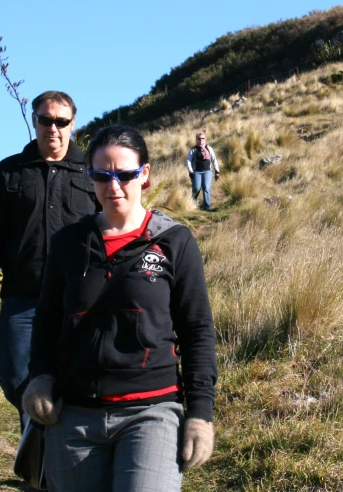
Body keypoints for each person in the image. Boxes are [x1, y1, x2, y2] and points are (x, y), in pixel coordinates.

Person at [23, 125, 217, 491]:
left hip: (152, 413)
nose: (113, 187)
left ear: (144, 175)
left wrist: (200, 415)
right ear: (90, 176)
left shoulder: (174, 242)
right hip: (74, 417)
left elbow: (197, 331)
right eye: (101, 175)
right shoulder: (67, 244)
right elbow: (46, 320)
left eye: (125, 175)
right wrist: (41, 378)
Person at [0, 90, 98, 430]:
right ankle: (39, 442)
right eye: (45, 120)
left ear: (72, 124)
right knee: (14, 376)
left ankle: (54, 461)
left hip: (79, 299)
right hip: (22, 299)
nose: (52, 128)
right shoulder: (5, 174)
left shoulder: (93, 173)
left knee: (78, 377)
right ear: (33, 120)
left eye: (61, 121)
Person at [185, 131, 220, 211]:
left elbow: (214, 160)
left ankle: (206, 207)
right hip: (196, 171)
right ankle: (194, 202)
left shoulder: (209, 148)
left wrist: (217, 171)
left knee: (206, 187)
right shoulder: (193, 150)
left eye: (202, 138)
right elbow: (188, 161)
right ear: (196, 139)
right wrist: (190, 171)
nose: (201, 140)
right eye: (199, 139)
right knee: (196, 188)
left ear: (205, 139)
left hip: (207, 171)